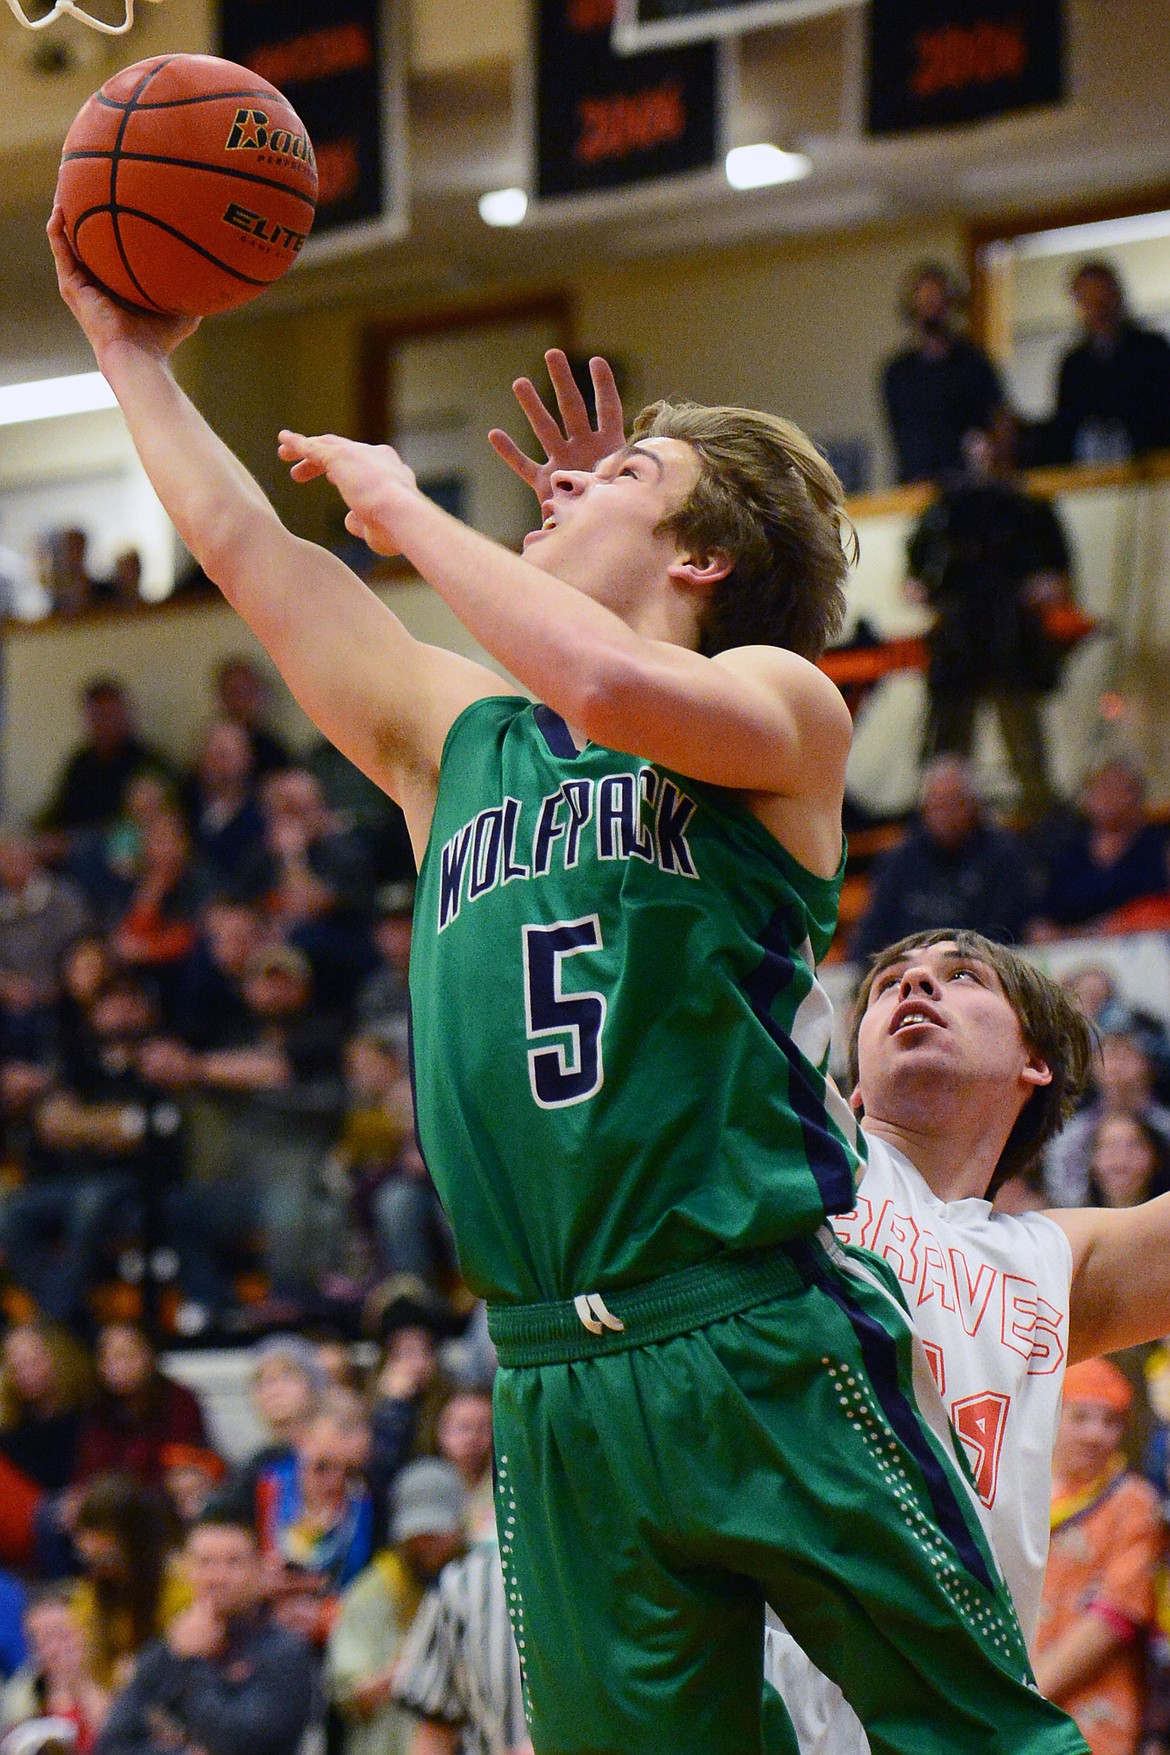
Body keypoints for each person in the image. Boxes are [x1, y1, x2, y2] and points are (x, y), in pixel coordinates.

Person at [52, 218, 1085, 1755]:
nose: (554, 486)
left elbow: (606, 682)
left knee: (980, 1734)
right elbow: (251, 555)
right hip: (547, 1366)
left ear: (702, 559)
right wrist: (127, 353)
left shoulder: (780, 706)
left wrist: (409, 508)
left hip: (754, 1325)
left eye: (607, 481)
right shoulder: (454, 733)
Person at [762, 929, 1170, 1752]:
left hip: (954, 1719)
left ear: (1037, 1061)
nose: (916, 985)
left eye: (960, 975)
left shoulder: (1050, 1259)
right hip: (756, 1693)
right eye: (889, 985)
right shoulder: (791, 1146)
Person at [905, 420, 1072, 819]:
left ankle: (1040, 826)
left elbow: (1057, 575)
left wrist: (1042, 589)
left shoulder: (1027, 506)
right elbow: (915, 578)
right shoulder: (945, 509)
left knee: (1025, 751)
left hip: (1010, 637)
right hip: (960, 638)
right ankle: (942, 823)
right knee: (948, 751)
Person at [95, 1509, 317, 1755]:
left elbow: (238, 1743)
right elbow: (111, 1744)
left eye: (234, 1562)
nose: (217, 1577)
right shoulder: (169, 1648)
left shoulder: (285, 1652)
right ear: (187, 1570)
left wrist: (192, 1663)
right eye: (205, 1562)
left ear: (260, 1570)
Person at [1035, 1359, 1161, 1755]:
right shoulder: (1023, 1495)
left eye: (1110, 1422)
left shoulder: (1133, 1501)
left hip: (1094, 1717)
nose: (1095, 1435)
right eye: (1081, 1417)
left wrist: (1028, 1692)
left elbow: (1115, 1614)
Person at [327, 1458, 467, 1755]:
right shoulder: (372, 1592)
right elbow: (351, 1696)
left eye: (436, 1534)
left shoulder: (478, 1584)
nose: (426, 1545)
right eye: (417, 1535)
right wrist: (416, 1666)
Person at [850, 755, 1036, 961]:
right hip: (909, 970)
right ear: (924, 808)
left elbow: (1007, 932)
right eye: (937, 804)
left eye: (954, 803)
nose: (946, 814)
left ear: (973, 806)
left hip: (979, 968)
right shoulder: (899, 860)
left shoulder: (1003, 857)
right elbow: (871, 934)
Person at [880, 261, 1005, 485]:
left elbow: (997, 421)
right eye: (925, 302)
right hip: (918, 488)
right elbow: (902, 440)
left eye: (938, 300)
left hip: (971, 485)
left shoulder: (974, 362)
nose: (932, 307)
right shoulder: (897, 373)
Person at [1045, 261, 1170, 465]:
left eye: (1104, 299)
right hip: (1093, 477)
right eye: (1089, 302)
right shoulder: (1074, 364)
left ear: (1118, 298)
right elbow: (1065, 429)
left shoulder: (1153, 350)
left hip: (1154, 468)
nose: (1098, 310)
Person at [0, 1589, 107, 1755]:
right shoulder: (22, 1696)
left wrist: (83, 1686)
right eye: (43, 1640)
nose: (56, 1649)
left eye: (63, 1634)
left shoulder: (117, 1679)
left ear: (87, 1631)